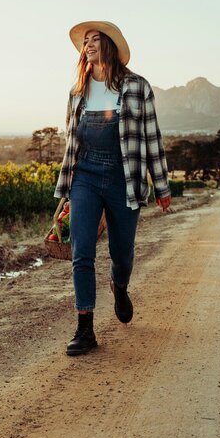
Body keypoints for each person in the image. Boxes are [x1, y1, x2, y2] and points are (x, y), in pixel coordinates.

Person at [52, 20, 171, 356]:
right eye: (84, 41)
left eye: (94, 39)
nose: (87, 45)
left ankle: (120, 286)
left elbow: (151, 138)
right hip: (85, 177)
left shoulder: (137, 87)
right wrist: (65, 193)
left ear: (110, 45)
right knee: (82, 251)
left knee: (122, 253)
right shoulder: (77, 92)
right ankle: (85, 328)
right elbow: (70, 146)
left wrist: (161, 186)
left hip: (124, 178)